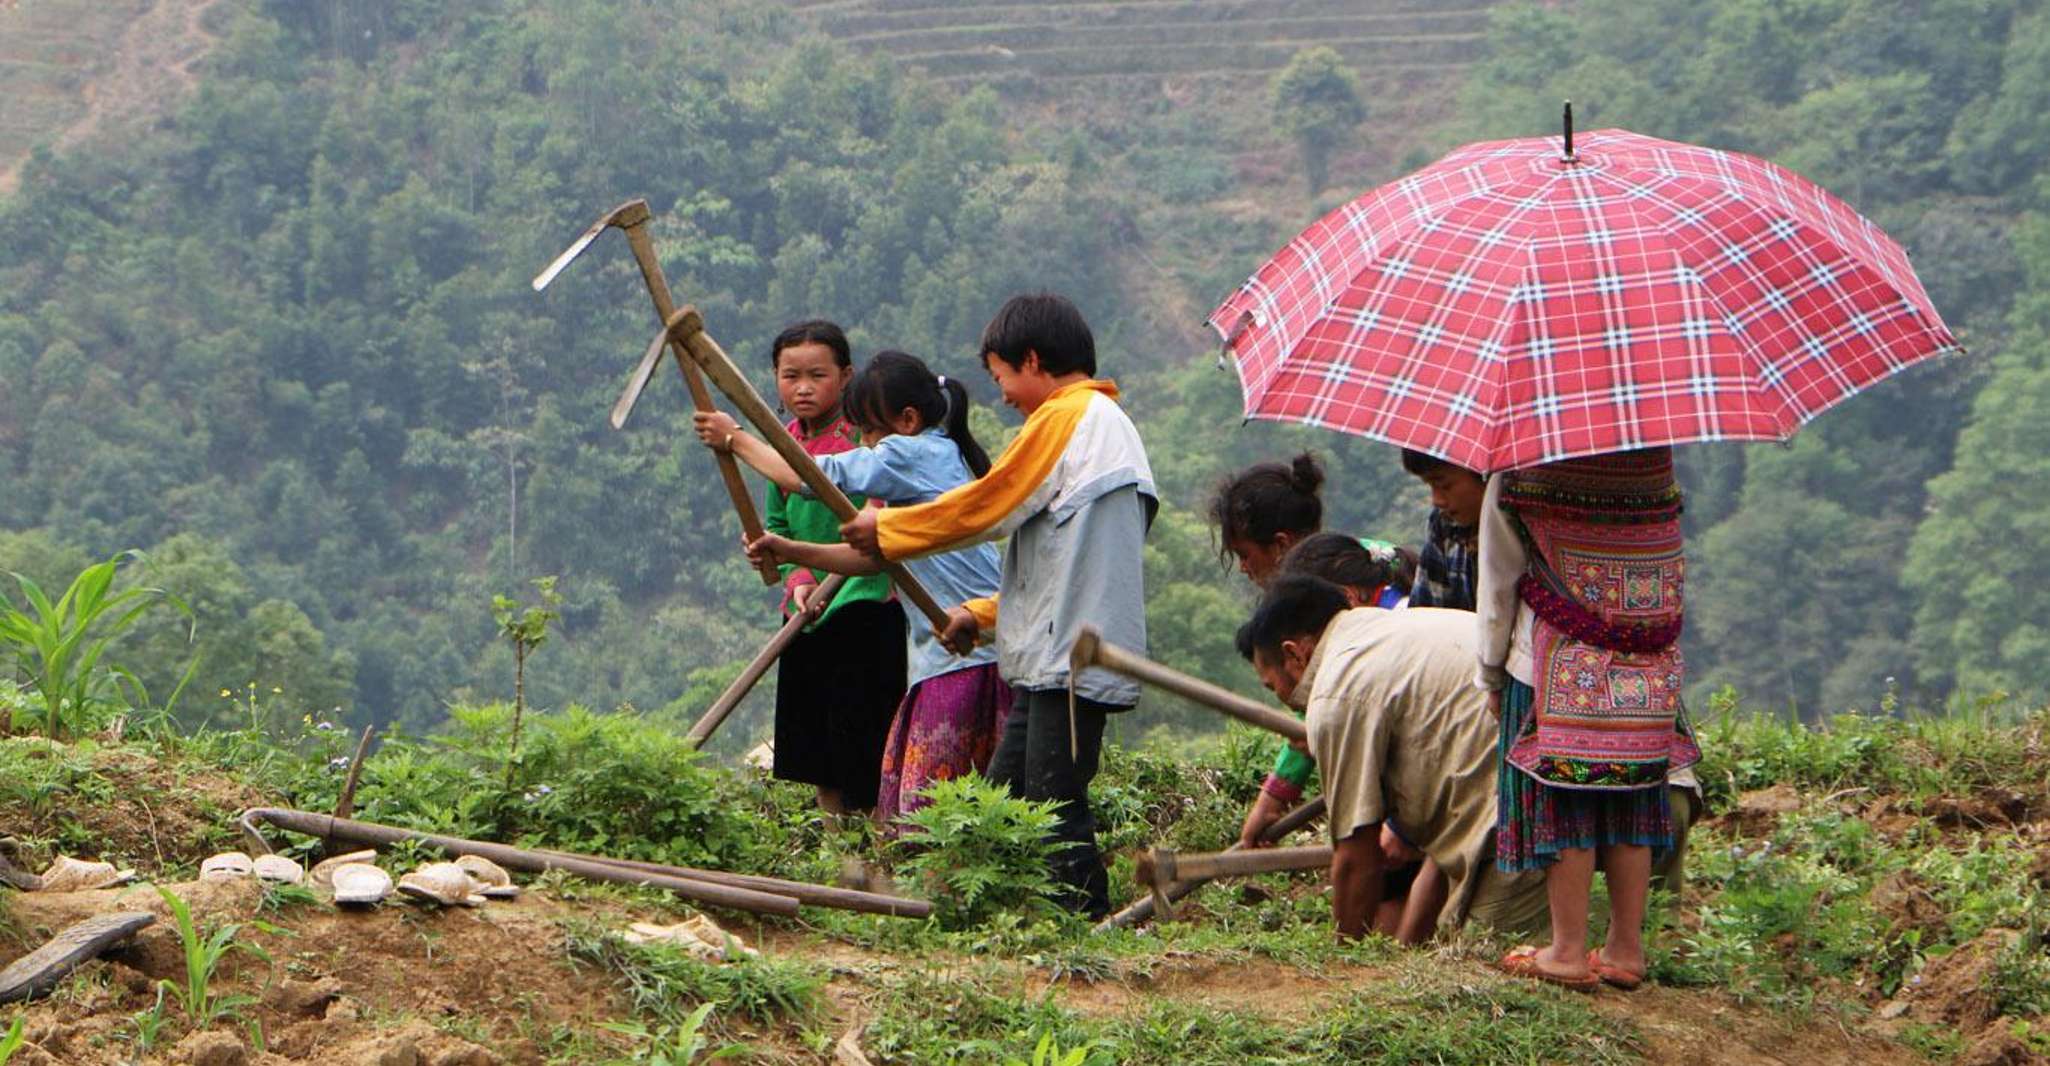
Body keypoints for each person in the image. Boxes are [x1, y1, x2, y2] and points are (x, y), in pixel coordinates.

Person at [840, 293, 1155, 918]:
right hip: (1053, 651)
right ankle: (965, 911)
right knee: (1005, 795)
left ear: (1033, 360)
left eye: (1002, 376)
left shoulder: (1073, 416)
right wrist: (979, 618)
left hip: (1072, 655)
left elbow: (990, 505)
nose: (1003, 394)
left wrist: (890, 533)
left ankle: (1086, 933)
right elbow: (1053, 564)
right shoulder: (1095, 426)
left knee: (1052, 800)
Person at [699, 352, 1011, 834]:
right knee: (963, 802)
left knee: (931, 814)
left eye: (868, 432)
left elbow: (806, 477)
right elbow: (871, 558)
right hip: (976, 650)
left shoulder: (908, 453)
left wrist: (734, 438)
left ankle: (918, 900)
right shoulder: (941, 451)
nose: (865, 444)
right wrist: (792, 550)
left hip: (964, 655)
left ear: (907, 421)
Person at [1476, 447, 1701, 992]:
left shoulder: (1522, 457)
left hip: (1552, 659)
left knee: (1568, 798)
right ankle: (1626, 948)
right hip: (1647, 663)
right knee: (1633, 793)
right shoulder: (1653, 456)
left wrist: (1489, 669)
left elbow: (1498, 579)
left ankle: (1567, 950)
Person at [1236, 575, 1545, 944]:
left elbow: (1357, 855)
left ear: (1294, 654)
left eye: (1274, 687)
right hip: (1550, 773)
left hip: (1518, 807)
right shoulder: (1381, 630)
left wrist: (1345, 958)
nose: (1284, 700)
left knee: (1485, 972)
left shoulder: (1336, 693)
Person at [736, 320, 905, 817]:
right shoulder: (782, 443)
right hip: (806, 615)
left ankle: (879, 851)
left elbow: (879, 513)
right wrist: (797, 576)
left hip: (864, 604)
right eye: (790, 376)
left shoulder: (864, 439)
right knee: (815, 746)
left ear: (846, 376)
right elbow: (777, 520)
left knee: (866, 740)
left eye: (817, 375)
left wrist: (737, 442)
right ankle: (837, 856)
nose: (803, 388)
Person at [1237, 531, 1415, 846]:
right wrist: (1273, 800)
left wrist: (1402, 830)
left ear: (1346, 598)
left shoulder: (1392, 629)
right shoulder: (1365, 626)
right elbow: (1312, 725)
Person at [1208, 453, 1326, 585]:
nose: (1243, 568)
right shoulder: (1344, 588)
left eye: (1244, 556)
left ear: (1281, 545)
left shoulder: (1306, 604)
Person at [1400, 449, 1485, 611]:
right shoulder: (1444, 524)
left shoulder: (1528, 526)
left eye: (1444, 486)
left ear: (1483, 475)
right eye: (1430, 486)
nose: (1437, 500)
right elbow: (1426, 614)